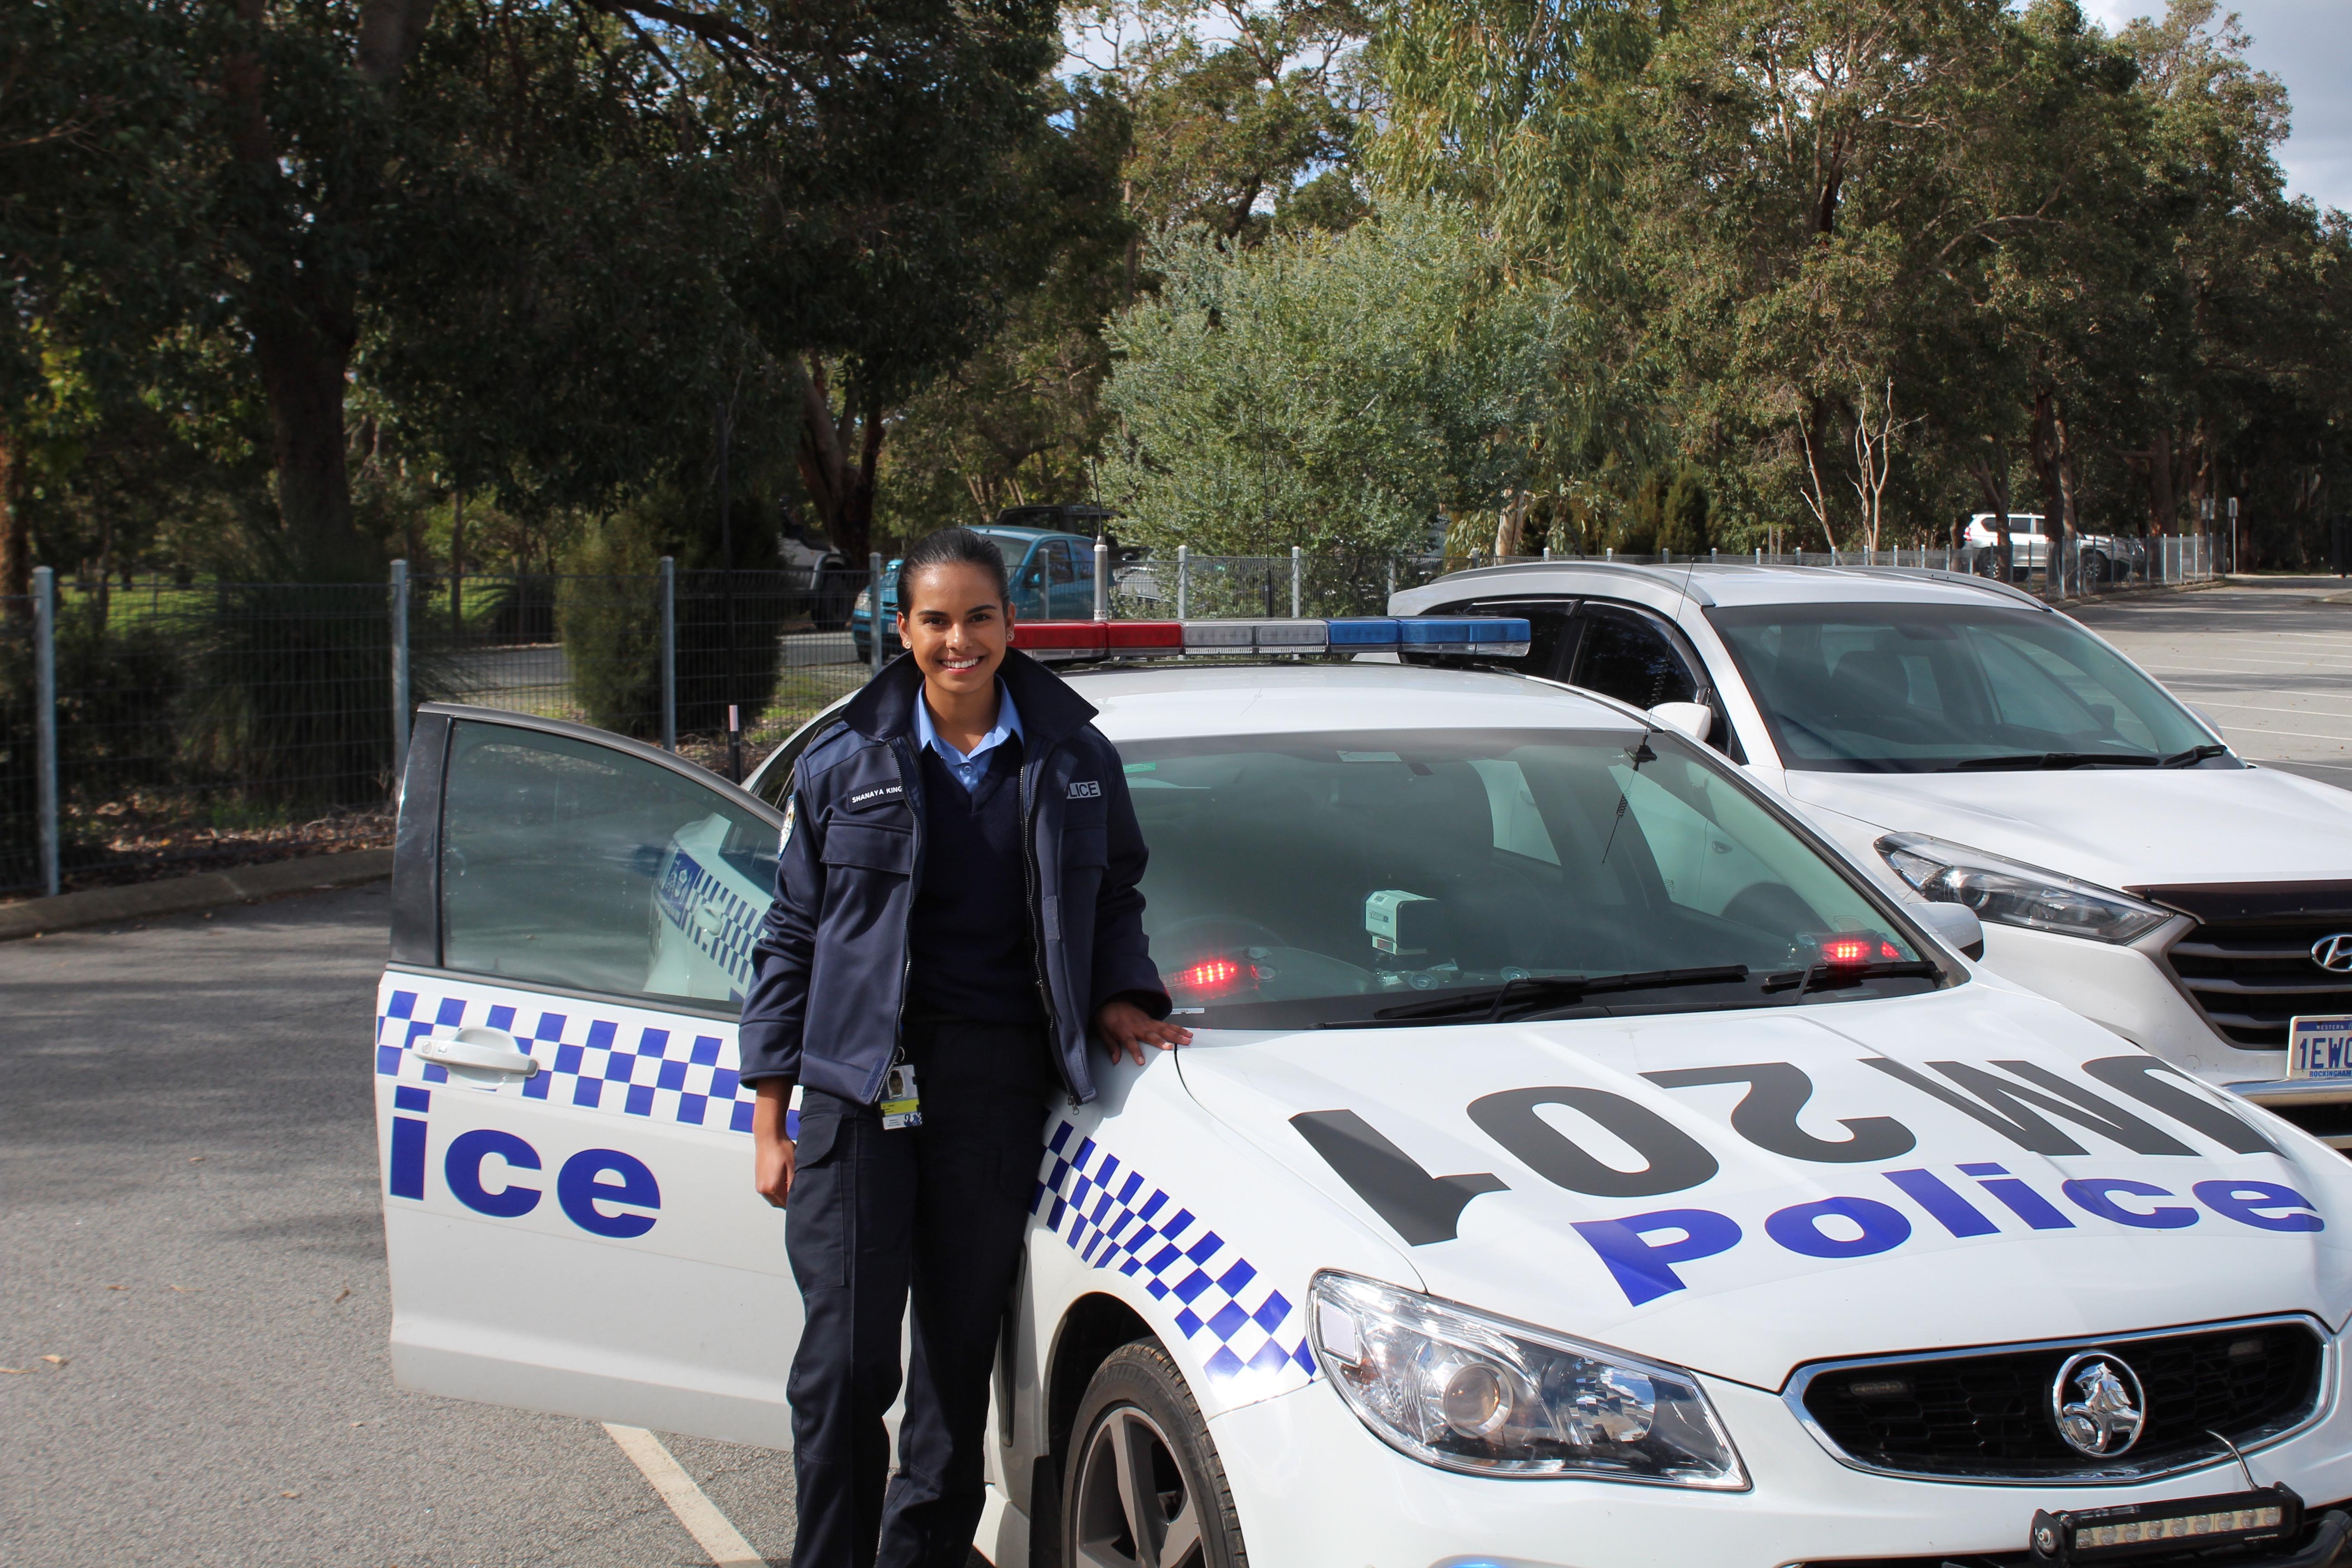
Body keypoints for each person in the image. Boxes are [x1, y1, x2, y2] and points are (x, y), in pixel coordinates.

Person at [736, 526, 1192, 1568]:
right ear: (902, 630)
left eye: (978, 618)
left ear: (1008, 625)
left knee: (954, 1365)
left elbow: (1113, 891)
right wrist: (770, 1114)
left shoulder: (1074, 755)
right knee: (847, 1368)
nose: (959, 641)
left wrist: (1123, 993)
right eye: (935, 621)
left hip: (994, 1086)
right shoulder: (844, 760)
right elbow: (794, 935)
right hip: (858, 1088)